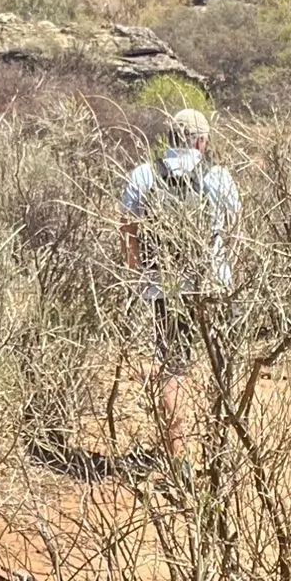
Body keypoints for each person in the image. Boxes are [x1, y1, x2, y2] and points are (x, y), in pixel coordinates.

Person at [121, 107, 240, 444]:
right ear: (201, 141)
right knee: (222, 363)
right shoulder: (218, 176)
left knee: (173, 367)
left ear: (170, 138)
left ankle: (177, 452)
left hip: (165, 285)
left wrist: (137, 274)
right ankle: (218, 444)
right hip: (212, 282)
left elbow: (127, 228)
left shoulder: (144, 174)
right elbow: (235, 227)